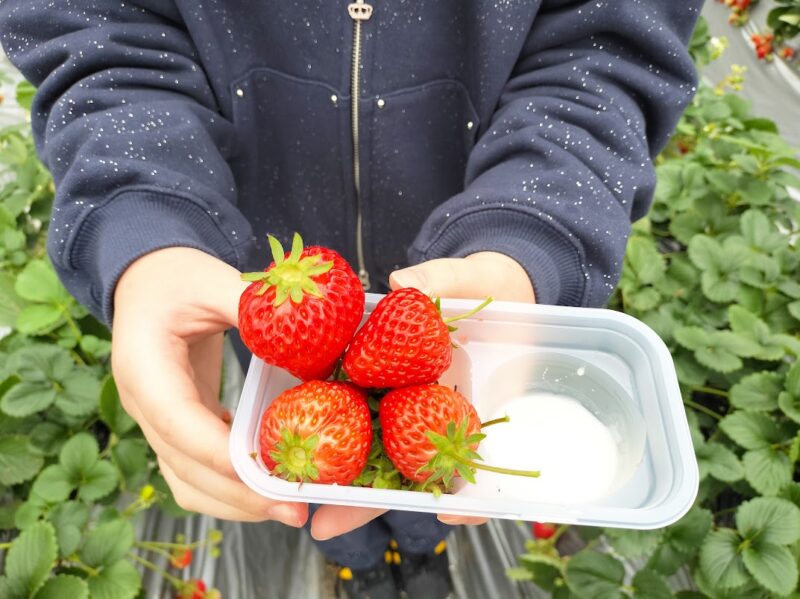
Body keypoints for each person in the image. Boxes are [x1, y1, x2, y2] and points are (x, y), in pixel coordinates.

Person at [0, 1, 702, 596]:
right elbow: (98, 32)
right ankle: (356, 560)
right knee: (313, 474)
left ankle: (421, 544)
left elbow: (608, 48)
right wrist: (149, 225)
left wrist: (529, 232)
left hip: (463, 293)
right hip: (265, 292)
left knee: (429, 457)